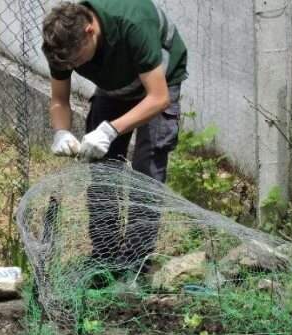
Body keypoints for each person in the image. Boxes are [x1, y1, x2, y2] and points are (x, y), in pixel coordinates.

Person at [41, 0, 188, 273]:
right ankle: (105, 256)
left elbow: (159, 98)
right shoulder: (61, 45)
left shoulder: (132, 25)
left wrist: (110, 129)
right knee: (100, 169)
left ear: (89, 31)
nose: (71, 66)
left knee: (147, 173)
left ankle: (135, 263)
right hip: (114, 86)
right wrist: (61, 130)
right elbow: (59, 100)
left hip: (159, 81)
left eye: (75, 60)